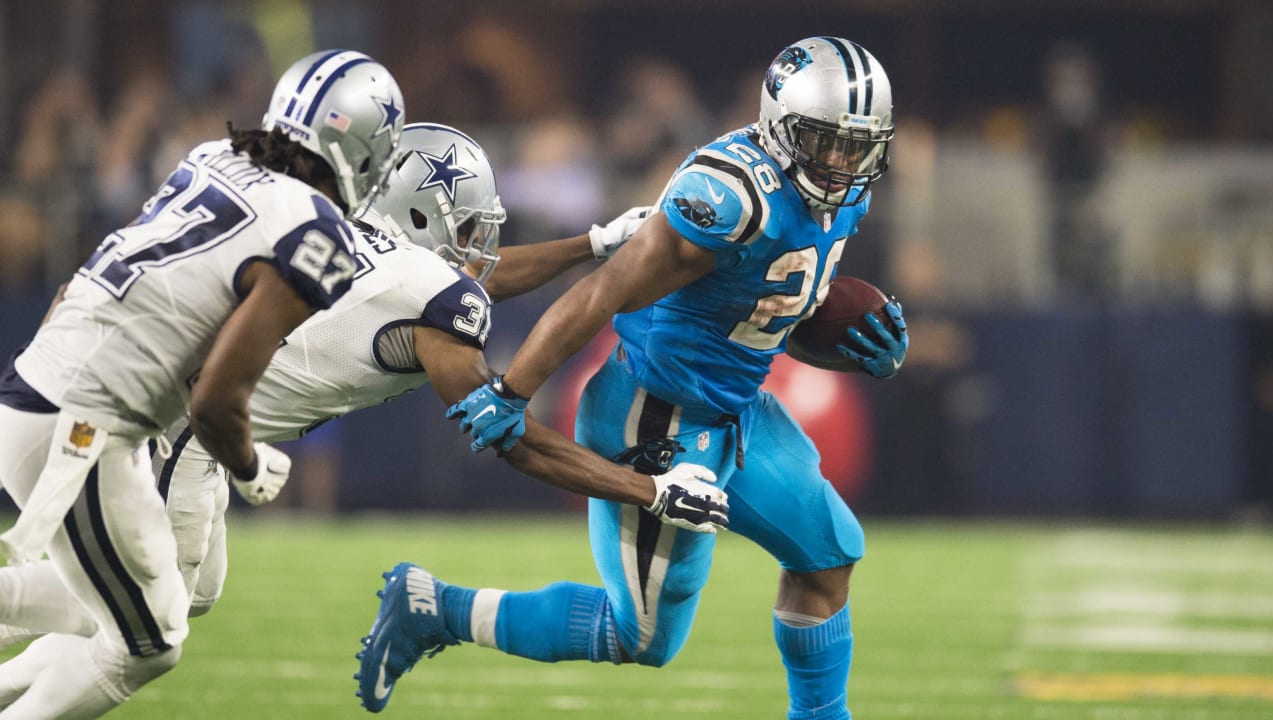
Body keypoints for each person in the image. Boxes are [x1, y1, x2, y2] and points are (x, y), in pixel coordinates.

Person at [0, 123, 726, 702]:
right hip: (181, 429)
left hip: (174, 416)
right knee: (148, 632)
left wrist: (594, 244)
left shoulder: (360, 244)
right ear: (419, 213)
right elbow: (510, 437)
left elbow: (466, 285)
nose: (482, 245)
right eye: (469, 227)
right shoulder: (430, 297)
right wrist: (651, 491)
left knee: (169, 599)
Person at [371, 38, 910, 720]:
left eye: (857, 146)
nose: (841, 164)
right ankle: (435, 609)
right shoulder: (733, 196)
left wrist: (858, 349)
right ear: (781, 126)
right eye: (824, 142)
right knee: (641, 637)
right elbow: (604, 291)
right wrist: (512, 390)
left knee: (828, 556)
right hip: (657, 416)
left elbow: (770, 315)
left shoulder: (843, 197)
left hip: (736, 411)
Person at [0, 49, 405, 717]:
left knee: (133, 601)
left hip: (43, 389)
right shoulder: (320, 232)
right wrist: (250, 466)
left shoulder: (213, 157)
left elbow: (85, 283)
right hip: (80, 423)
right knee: (149, 641)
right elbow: (216, 397)